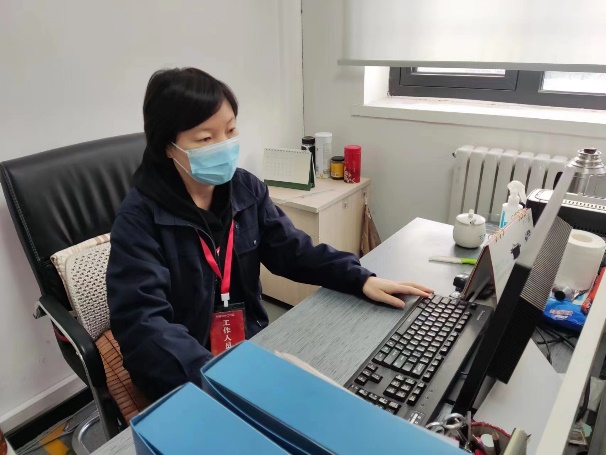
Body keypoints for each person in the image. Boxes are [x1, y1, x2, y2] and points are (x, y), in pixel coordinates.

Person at [106, 67, 432, 401]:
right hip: (183, 376)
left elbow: (293, 250)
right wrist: (217, 377)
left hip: (247, 347)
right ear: (167, 146)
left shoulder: (245, 189)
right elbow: (143, 324)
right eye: (205, 139)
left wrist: (358, 278)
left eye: (230, 130)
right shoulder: (139, 218)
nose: (224, 145)